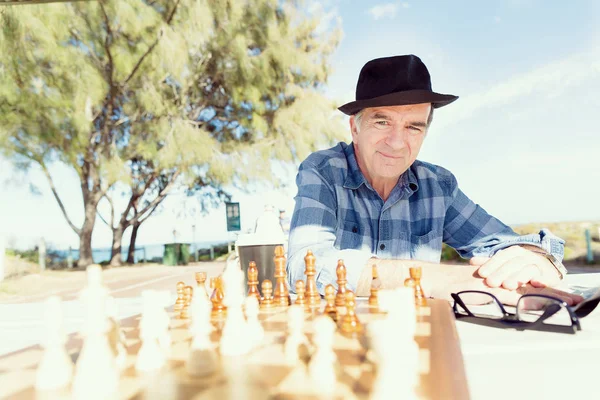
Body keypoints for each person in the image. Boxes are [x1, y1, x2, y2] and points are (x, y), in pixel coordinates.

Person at [286, 55, 580, 306]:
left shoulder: (438, 186)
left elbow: (506, 243)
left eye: (413, 127)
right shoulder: (322, 171)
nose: (397, 143)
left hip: (420, 343)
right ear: (355, 128)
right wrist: (446, 280)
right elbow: (305, 268)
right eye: (382, 121)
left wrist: (537, 260)